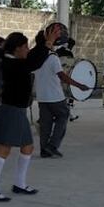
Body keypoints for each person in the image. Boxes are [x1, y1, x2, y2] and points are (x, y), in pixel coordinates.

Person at [0, 32, 49, 201]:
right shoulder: (12, 63)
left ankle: (19, 184)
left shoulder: (14, 61)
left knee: (27, 147)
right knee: (3, 149)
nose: (28, 50)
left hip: (17, 111)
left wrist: (44, 43)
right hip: (11, 111)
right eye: (26, 47)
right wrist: (46, 44)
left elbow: (32, 58)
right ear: (18, 49)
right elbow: (34, 61)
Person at [33, 23, 89, 157]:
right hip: (55, 97)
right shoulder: (52, 57)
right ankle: (53, 145)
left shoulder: (35, 56)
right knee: (63, 116)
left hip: (42, 96)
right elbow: (62, 76)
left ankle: (43, 149)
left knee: (45, 124)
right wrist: (79, 85)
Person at [57, 37, 80, 121]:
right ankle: (67, 114)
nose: (72, 47)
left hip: (57, 76)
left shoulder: (57, 50)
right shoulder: (68, 53)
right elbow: (70, 65)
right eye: (72, 45)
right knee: (68, 95)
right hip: (65, 76)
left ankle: (70, 115)